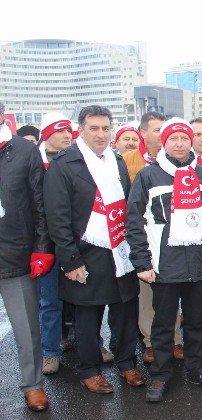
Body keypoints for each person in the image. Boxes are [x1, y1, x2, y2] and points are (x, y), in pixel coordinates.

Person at [44, 105, 143, 394]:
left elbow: (127, 202)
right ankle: (89, 370)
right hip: (86, 253)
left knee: (125, 309)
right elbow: (58, 219)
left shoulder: (116, 159)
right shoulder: (65, 164)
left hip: (120, 250)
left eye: (105, 128)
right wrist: (70, 261)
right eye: (93, 128)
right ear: (81, 130)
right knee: (88, 316)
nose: (100, 134)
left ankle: (126, 362)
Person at [126, 117, 202, 403]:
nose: (179, 144)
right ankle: (160, 373)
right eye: (173, 139)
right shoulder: (148, 176)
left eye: (184, 138)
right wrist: (142, 262)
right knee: (163, 323)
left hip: (197, 261)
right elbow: (135, 222)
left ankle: (198, 368)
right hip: (164, 264)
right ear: (163, 142)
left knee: (196, 321)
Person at [0, 102, 52, 411]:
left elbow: (39, 204)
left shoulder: (22, 150)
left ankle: (32, 384)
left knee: (26, 326)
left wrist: (41, 248)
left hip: (15, 251)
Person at [124, 112, 183, 364]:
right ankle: (150, 341)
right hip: (147, 239)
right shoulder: (128, 162)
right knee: (147, 295)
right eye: (158, 130)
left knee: (174, 292)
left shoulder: (179, 162)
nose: (163, 135)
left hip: (176, 239)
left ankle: (175, 339)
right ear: (143, 133)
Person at [36, 113, 73, 375]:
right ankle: (50, 351)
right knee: (49, 301)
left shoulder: (74, 160)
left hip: (73, 239)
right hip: (45, 242)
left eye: (69, 131)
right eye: (60, 131)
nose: (66, 136)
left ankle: (93, 344)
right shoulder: (33, 161)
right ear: (47, 134)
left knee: (86, 299)